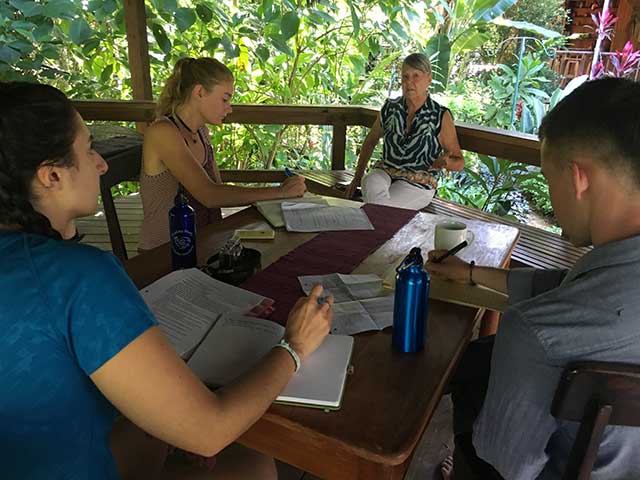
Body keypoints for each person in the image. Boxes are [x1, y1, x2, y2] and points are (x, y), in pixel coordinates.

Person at [0, 82, 333, 478]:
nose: (101, 164)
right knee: (253, 465)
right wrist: (294, 346)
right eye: (88, 149)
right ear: (51, 176)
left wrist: (166, 429)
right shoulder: (76, 277)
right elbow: (211, 431)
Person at [426, 77, 640, 479]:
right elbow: (570, 286)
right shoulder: (611, 276)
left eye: (547, 178)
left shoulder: (536, 333)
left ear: (578, 177)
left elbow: (507, 463)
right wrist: (471, 273)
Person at [139, 57, 307, 250]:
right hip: (165, 252)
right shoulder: (163, 131)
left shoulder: (200, 132)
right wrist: (280, 192)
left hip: (204, 242)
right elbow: (210, 195)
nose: (229, 108)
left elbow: (216, 193)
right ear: (199, 92)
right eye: (225, 99)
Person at [344, 52, 464, 210]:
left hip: (419, 182)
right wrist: (357, 177)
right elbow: (371, 141)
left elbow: (459, 161)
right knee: (370, 181)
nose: (409, 82)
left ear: (429, 78)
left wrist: (446, 162)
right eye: (405, 77)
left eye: (416, 76)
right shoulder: (390, 108)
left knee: (385, 209)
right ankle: (378, 226)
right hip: (386, 171)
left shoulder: (439, 116)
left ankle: (370, 226)